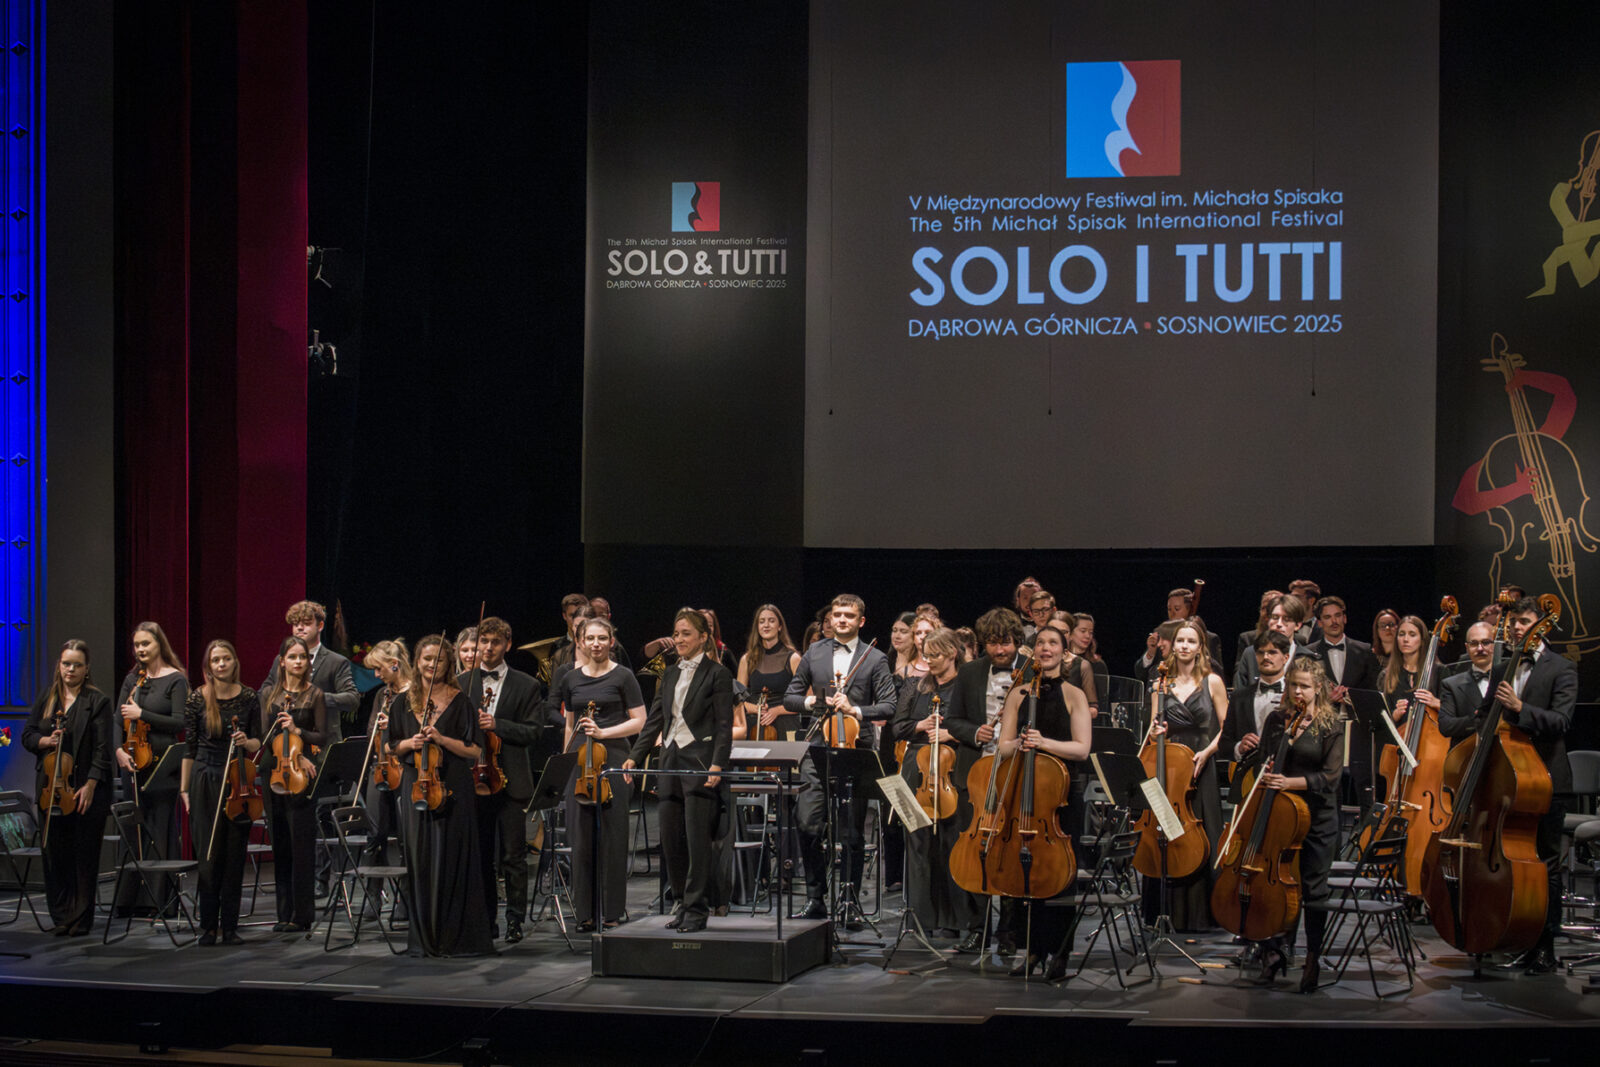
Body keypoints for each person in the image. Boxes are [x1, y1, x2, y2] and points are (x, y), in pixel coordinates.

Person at [1437, 597, 1577, 974]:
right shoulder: (1503, 666)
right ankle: (1514, 936)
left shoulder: (1561, 668)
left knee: (1544, 865)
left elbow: (1561, 722)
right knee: (1509, 862)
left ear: (1541, 626)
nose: (1516, 627)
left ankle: (1545, 947)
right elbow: (1484, 717)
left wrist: (1518, 707)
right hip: (1504, 781)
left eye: (1524, 621)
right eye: (1514, 621)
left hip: (1543, 780)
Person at [783, 594, 898, 922]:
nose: (842, 620)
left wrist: (855, 709)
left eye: (849, 615)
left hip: (855, 748)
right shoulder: (814, 653)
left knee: (850, 832)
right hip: (817, 748)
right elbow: (790, 697)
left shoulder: (875, 658)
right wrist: (813, 703)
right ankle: (815, 897)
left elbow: (889, 705)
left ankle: (849, 903)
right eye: (837, 615)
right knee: (807, 822)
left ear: (861, 621)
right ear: (830, 619)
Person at [1232, 656, 1344, 992]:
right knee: (1278, 885)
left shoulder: (1331, 723)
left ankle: (1312, 958)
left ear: (1318, 688)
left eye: (1305, 686)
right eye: (1293, 685)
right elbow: (1264, 761)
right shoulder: (1277, 719)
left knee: (1313, 891)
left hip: (1317, 818)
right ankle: (1274, 952)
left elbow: (1330, 778)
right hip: (1281, 817)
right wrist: (1265, 770)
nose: (1298, 691)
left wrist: (1288, 783)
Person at [623, 609, 733, 932]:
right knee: (671, 840)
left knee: (698, 840)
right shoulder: (670, 673)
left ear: (703, 637)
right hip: (670, 761)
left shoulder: (717, 674)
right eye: (677, 633)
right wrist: (635, 756)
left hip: (699, 762)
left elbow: (724, 725)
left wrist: (717, 763)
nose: (679, 639)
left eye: (686, 633)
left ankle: (698, 908)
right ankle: (683, 903)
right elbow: (656, 719)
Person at [994, 623, 1093, 980]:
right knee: (1026, 877)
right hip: (1025, 797)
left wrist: (1043, 743)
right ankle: (1033, 950)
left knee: (1060, 876)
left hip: (1062, 799)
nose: (1045, 648)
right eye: (1040, 643)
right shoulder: (1019, 694)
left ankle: (1060, 952)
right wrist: (1020, 743)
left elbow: (1082, 749)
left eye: (1053, 643)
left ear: (1065, 653)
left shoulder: (1074, 694)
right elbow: (1003, 747)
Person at [386, 633, 494, 956]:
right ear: (417, 662)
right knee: (420, 860)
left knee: (453, 858)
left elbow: (474, 750)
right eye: (427, 659)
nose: (433, 665)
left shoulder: (461, 701)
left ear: (449, 664)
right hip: (417, 787)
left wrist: (442, 740)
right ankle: (425, 938)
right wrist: (411, 743)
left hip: (454, 786)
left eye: (440, 660)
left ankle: (455, 938)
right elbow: (391, 746)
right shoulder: (402, 702)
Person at [557, 617, 647, 930]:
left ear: (611, 641)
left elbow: (640, 721)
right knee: (581, 839)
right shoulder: (570, 678)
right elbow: (570, 724)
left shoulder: (623, 676)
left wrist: (603, 732)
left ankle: (611, 912)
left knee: (613, 835)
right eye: (590, 638)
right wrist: (566, 760)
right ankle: (584, 912)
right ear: (580, 642)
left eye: (602, 638)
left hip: (614, 756)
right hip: (580, 760)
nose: (596, 644)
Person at [460, 616, 544, 942]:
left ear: (507, 645)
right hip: (474, 780)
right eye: (484, 641)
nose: (488, 648)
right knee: (481, 854)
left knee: (513, 855)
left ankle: (515, 920)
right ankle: (485, 919)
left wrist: (497, 725)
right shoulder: (462, 682)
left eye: (495, 642)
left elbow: (533, 732)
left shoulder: (526, 685)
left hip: (512, 779)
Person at [950, 608, 1029, 953]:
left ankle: (1009, 932)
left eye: (1006, 643)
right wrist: (973, 732)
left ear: (1017, 641)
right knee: (974, 850)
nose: (999, 650)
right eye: (993, 644)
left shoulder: (1031, 672)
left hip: (1015, 770)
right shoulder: (969, 672)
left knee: (1011, 850)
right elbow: (953, 719)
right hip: (976, 773)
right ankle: (977, 928)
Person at [22, 640, 112, 936]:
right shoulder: (48, 697)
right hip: (51, 789)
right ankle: (61, 915)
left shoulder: (97, 701)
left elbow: (102, 749)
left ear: (87, 669)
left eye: (77, 665)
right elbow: (27, 734)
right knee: (54, 853)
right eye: (66, 664)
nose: (70, 669)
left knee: (83, 855)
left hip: (84, 787)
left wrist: (91, 784)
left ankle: (80, 919)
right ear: (59, 666)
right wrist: (44, 741)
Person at [1144, 619, 1229, 931]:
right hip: (1170, 767)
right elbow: (1152, 731)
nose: (1184, 646)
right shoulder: (1160, 684)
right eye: (1180, 640)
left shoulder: (1213, 682)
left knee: (1203, 831)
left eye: (1191, 641)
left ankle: (1203, 914)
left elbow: (1227, 728)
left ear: (1200, 647)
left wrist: (1207, 753)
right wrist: (1156, 732)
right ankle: (1164, 912)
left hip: (1200, 764)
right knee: (1168, 832)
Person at [178, 640, 261, 945]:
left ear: (234, 662)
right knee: (209, 856)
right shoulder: (197, 698)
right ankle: (208, 926)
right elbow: (189, 748)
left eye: (226, 658)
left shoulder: (249, 697)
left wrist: (245, 742)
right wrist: (185, 789)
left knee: (234, 855)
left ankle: (230, 927)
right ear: (209, 666)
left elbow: (258, 742)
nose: (222, 664)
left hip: (238, 781)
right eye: (216, 660)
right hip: (204, 778)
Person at [892, 627, 973, 938]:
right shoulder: (915, 686)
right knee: (917, 844)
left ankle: (954, 921)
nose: (929, 661)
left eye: (935, 655)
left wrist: (951, 733)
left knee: (950, 843)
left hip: (951, 772)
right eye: (926, 655)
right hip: (915, 771)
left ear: (952, 653)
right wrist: (919, 725)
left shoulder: (965, 686)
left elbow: (980, 727)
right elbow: (898, 727)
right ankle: (920, 920)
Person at [113, 621, 189, 915]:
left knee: (159, 828)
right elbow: (118, 720)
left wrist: (142, 713)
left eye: (146, 643)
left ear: (159, 644)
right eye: (137, 645)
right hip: (132, 762)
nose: (140, 649)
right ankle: (129, 902)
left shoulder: (176, 680)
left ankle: (160, 902)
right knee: (133, 830)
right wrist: (118, 751)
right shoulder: (132, 679)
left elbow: (180, 722)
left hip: (162, 764)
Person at [258, 635, 329, 932]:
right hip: (274, 770)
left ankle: (301, 915)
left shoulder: (315, 695)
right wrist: (281, 737)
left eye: (303, 657)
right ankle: (283, 913)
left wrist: (297, 732)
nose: (298, 661)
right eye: (293, 656)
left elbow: (322, 735)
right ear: (282, 661)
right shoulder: (268, 695)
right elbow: (265, 736)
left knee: (301, 845)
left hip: (302, 772)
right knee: (281, 844)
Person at [1220, 631, 1292, 804]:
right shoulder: (1240, 696)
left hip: (1286, 778)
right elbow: (1224, 744)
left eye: (1272, 652)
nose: (1265, 657)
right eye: (1261, 652)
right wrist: (1239, 747)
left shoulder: (1296, 695)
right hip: (1247, 781)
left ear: (1286, 657)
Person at [736, 604, 801, 742]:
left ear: (780, 626)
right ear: (757, 627)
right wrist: (756, 708)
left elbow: (806, 699)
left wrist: (777, 711)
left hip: (785, 723)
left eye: (771, 621)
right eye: (762, 621)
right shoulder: (747, 659)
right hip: (755, 725)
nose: (766, 625)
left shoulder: (793, 658)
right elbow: (738, 701)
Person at [1234, 595, 1311, 688]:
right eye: (1275, 617)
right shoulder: (1250, 654)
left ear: (1298, 625)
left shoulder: (1308, 657)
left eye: (1286, 619)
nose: (1279, 624)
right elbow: (1239, 692)